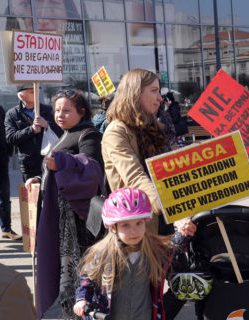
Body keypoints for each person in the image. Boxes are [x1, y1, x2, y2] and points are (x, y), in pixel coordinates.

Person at [101, 69, 196, 319]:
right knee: (141, 297)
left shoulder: (153, 126)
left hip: (163, 220)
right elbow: (136, 178)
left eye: (160, 91)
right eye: (153, 91)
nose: (160, 98)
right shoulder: (116, 132)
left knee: (185, 283)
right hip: (137, 229)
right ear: (135, 93)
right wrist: (173, 212)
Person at [25, 89, 104, 318]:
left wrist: (60, 162)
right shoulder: (64, 134)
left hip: (80, 223)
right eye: (58, 110)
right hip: (63, 220)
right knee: (67, 278)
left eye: (67, 110)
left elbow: (91, 170)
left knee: (81, 277)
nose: (60, 114)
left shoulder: (88, 135)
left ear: (81, 112)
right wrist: (40, 178)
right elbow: (56, 172)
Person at [73, 187, 173, 320]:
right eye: (126, 225)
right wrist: (82, 299)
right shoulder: (102, 253)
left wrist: (185, 232)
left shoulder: (154, 250)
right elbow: (87, 280)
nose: (134, 231)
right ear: (113, 227)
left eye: (139, 223)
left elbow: (175, 246)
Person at [5, 83, 62, 182]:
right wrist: (31, 130)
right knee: (34, 195)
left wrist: (47, 125)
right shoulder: (12, 114)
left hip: (50, 160)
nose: (36, 93)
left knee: (51, 193)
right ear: (21, 95)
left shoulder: (48, 110)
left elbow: (63, 132)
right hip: (28, 164)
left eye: (37, 90)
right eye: (32, 91)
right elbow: (10, 138)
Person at [0, 106, 20, 240]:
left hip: (0, 158)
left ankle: (7, 228)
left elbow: (6, 131)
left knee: (4, 196)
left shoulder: (0, 109)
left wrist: (8, 150)